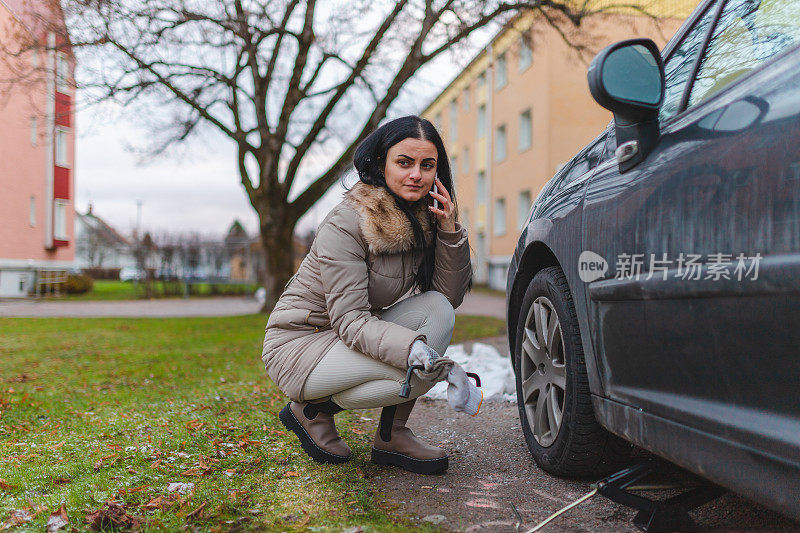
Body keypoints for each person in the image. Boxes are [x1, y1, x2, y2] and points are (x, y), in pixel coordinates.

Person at [261, 115, 478, 475]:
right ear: (381, 164)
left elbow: (447, 297)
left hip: (347, 335)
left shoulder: (422, 218)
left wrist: (449, 230)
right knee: (415, 368)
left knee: (437, 310)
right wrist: (414, 350)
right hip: (301, 343)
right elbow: (349, 320)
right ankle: (312, 409)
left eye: (428, 165)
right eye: (404, 162)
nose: (417, 175)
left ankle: (391, 435)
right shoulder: (348, 221)